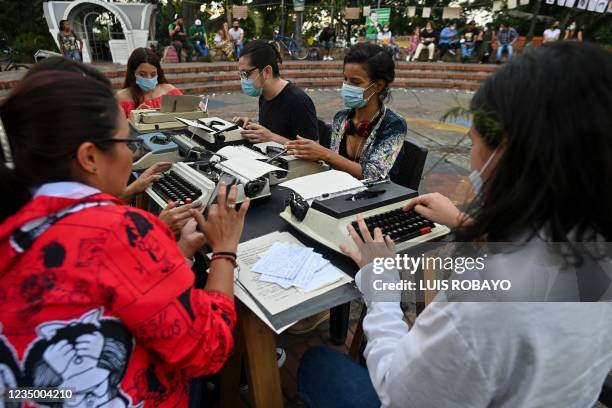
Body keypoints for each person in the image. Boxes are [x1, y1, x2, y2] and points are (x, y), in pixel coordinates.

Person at [298, 41, 612, 408]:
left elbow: (398, 390)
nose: (473, 164)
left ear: (505, 154)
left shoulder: (488, 299)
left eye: (474, 142)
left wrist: (381, 280)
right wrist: (466, 221)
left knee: (318, 364)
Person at [0, 71, 251, 406]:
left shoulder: (15, 222)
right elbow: (209, 348)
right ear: (90, 157)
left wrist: (179, 251)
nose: (132, 155)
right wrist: (224, 249)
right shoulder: (121, 231)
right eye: (128, 142)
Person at [286, 43, 406, 181]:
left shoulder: (393, 124)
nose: (346, 86)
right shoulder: (341, 118)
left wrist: (324, 154)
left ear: (378, 86)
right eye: (345, 79)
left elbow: (374, 175)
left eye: (355, 82)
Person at [233, 40, 318, 143]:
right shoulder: (264, 96)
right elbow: (272, 131)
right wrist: (251, 127)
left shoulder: (299, 101)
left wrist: (271, 138)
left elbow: (314, 150)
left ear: (267, 71)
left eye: (246, 74)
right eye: (241, 74)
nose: (243, 79)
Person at [116, 47, 183, 118]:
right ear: (132, 73)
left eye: (153, 74)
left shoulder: (170, 91)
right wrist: (134, 118)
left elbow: (190, 113)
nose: (149, 78)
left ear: (158, 73)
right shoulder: (120, 98)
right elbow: (112, 127)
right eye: (142, 74)